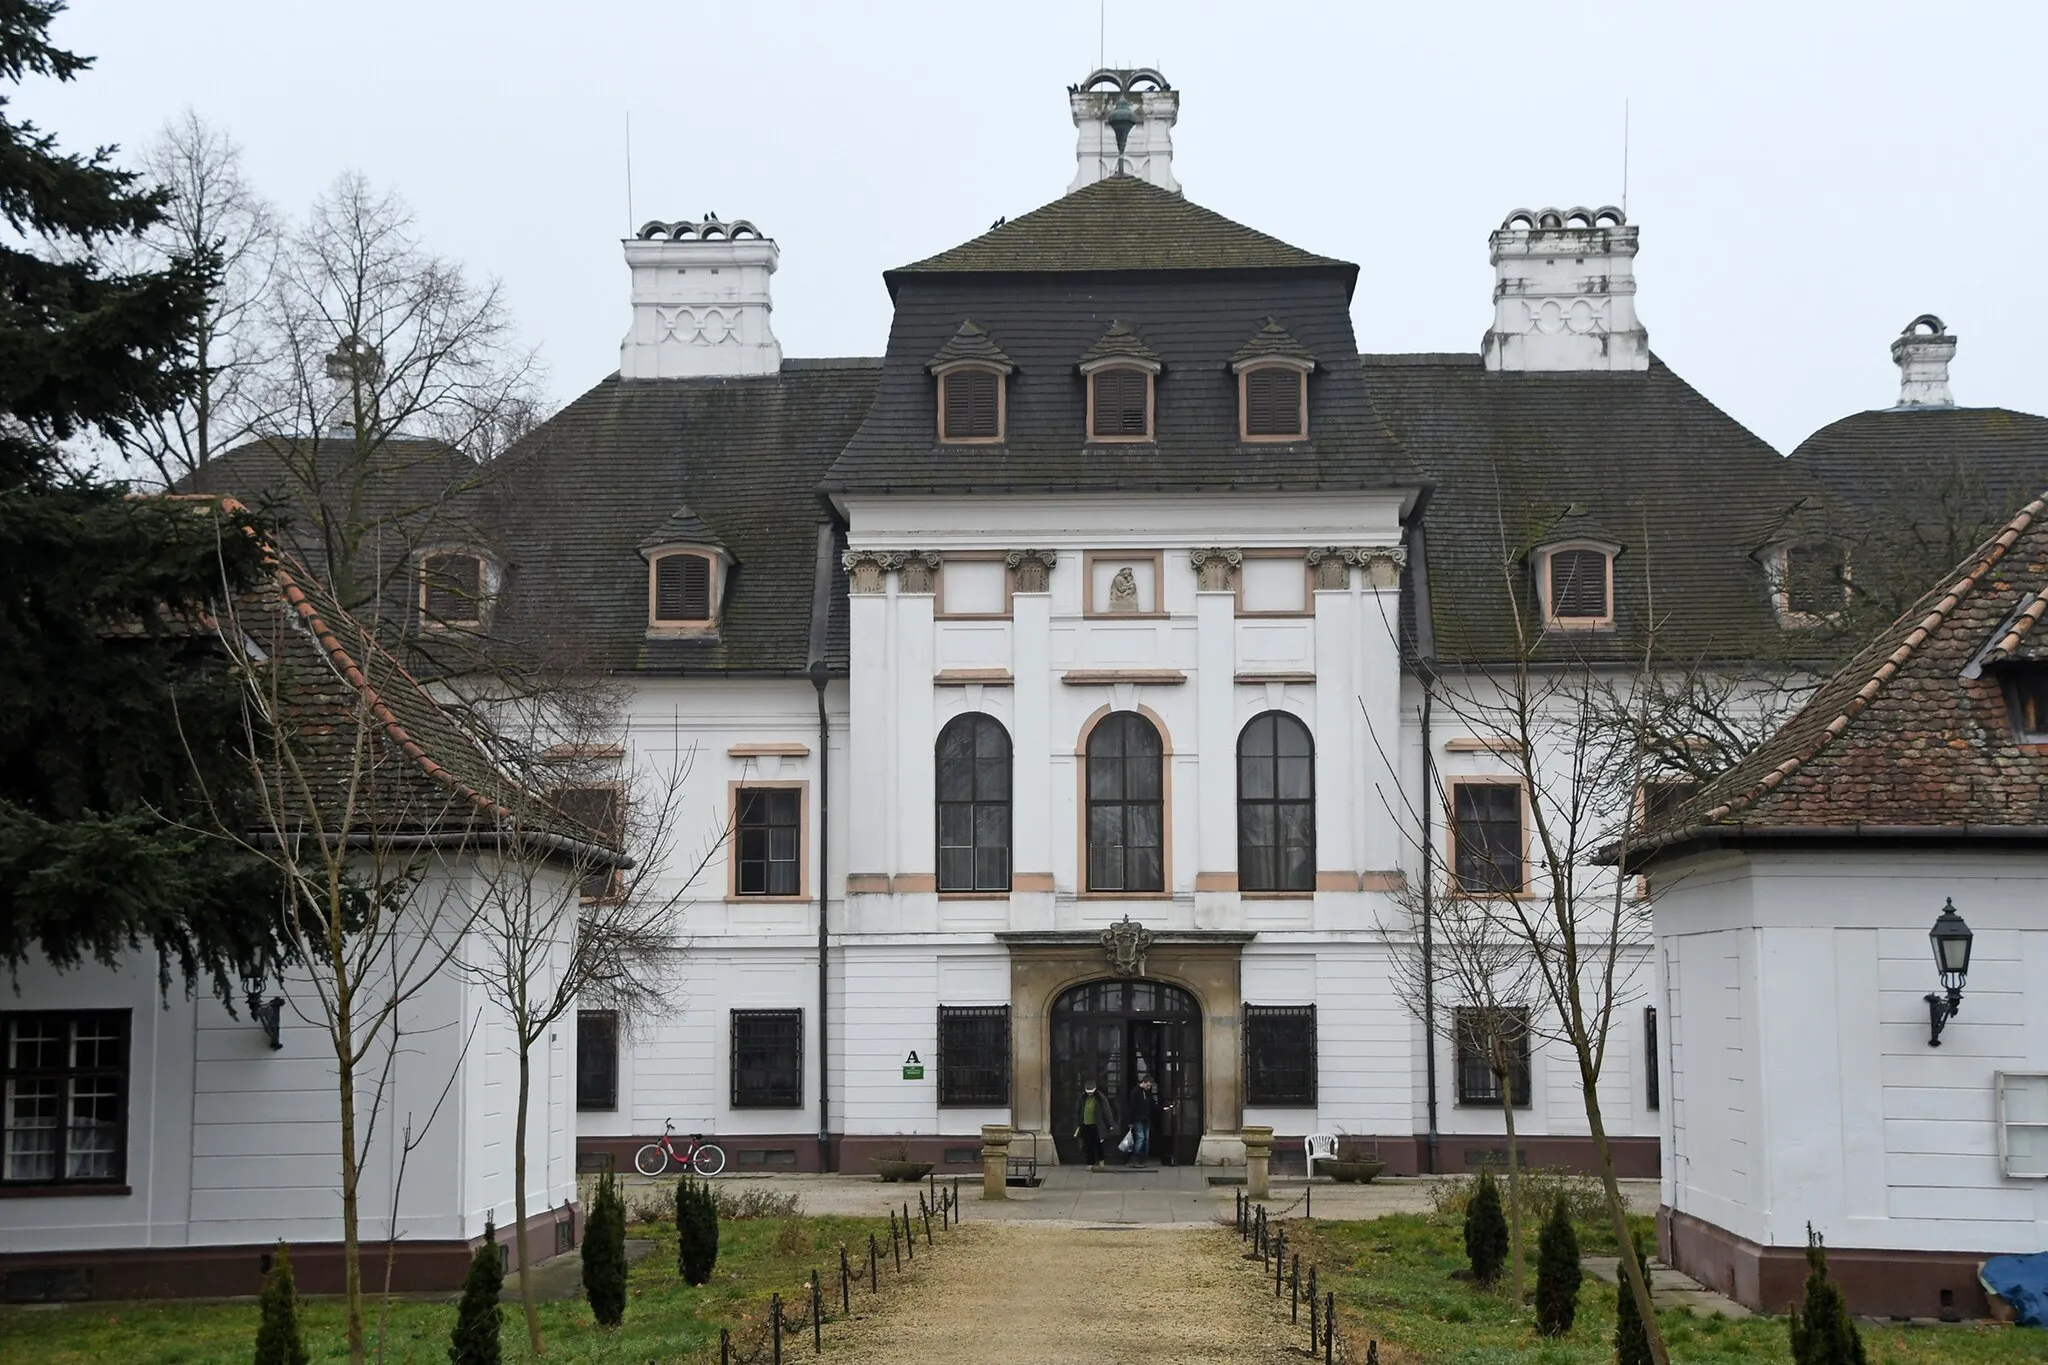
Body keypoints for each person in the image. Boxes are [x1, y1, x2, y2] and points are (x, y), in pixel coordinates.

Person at [1078, 1081, 1117, 1172]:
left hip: (1098, 1125)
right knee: (1088, 1146)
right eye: (1088, 1092)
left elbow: (1106, 1111)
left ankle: (1101, 1161)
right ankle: (1089, 1163)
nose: (1090, 1093)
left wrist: (1110, 1123)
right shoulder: (1083, 1098)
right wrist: (1078, 1124)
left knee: (1099, 1144)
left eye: (1091, 1091)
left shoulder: (1100, 1098)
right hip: (1086, 1124)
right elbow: (1079, 1111)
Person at [1127, 1076, 1161, 1167]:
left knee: (1145, 1139)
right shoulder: (1135, 1092)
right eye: (1148, 1085)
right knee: (1141, 1138)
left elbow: (1152, 1105)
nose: (1149, 1087)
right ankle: (1135, 1158)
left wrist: (1160, 1109)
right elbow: (1131, 1107)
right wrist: (1130, 1121)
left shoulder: (1148, 1092)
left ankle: (1141, 1158)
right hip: (1138, 1119)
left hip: (1146, 1118)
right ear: (1144, 1082)